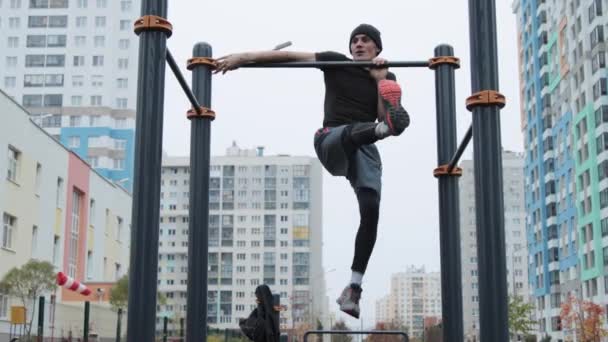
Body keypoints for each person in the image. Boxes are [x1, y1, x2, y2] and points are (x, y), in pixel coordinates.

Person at [216, 24, 410, 319]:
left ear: (377, 49)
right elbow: (291, 56)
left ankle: (353, 290)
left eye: (366, 40)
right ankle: (379, 131)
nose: (358, 44)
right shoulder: (336, 62)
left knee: (371, 210)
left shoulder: (387, 76)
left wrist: (381, 80)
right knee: (369, 130)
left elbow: (388, 117)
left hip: (367, 142)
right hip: (332, 137)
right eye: (354, 40)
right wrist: (243, 58)